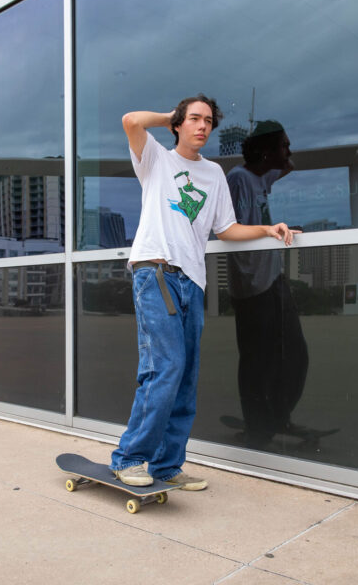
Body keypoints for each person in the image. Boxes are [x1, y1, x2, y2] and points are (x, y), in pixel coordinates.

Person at [110, 95, 299, 490]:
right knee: (165, 367)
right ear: (179, 123)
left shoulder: (213, 174)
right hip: (156, 271)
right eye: (194, 119)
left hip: (192, 282)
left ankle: (166, 466)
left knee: (186, 378)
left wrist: (266, 229)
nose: (202, 126)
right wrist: (170, 117)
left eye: (208, 121)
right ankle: (129, 457)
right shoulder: (156, 159)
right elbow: (131, 120)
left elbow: (226, 228)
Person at [226, 120, 309, 448]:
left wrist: (282, 160)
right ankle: (258, 428)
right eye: (283, 145)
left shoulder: (261, 178)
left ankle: (275, 417)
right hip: (252, 286)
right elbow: (230, 228)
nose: (289, 152)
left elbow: (286, 166)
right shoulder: (239, 180)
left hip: (273, 280)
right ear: (265, 150)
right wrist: (268, 229)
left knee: (294, 355)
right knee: (257, 363)